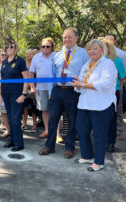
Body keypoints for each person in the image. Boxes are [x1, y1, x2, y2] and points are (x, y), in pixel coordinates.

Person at [39, 27, 89, 158]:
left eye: (69, 37)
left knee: (72, 121)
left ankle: (69, 147)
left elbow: (87, 74)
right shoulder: (57, 54)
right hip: (57, 91)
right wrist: (51, 92)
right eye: (64, 37)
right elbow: (52, 74)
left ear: (76, 38)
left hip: (73, 92)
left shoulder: (83, 54)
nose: (66, 40)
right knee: (52, 120)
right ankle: (49, 146)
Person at [71, 39, 116, 172]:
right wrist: (77, 84)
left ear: (102, 50)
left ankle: (99, 162)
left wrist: (82, 84)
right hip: (85, 103)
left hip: (102, 105)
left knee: (99, 134)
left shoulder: (108, 64)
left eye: (95, 48)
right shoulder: (86, 65)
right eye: (89, 49)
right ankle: (87, 156)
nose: (92, 51)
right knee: (82, 130)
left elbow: (105, 84)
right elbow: (79, 87)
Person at [0, 37, 29, 151]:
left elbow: (26, 79)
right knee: (10, 118)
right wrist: (1, 93)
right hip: (6, 94)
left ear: (15, 48)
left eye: (11, 47)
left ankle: (19, 143)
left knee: (16, 119)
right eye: (7, 47)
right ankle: (12, 140)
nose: (9, 49)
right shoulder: (4, 61)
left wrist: (24, 94)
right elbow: (2, 79)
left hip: (17, 94)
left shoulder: (20, 61)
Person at [29, 38, 61, 139]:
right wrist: (32, 86)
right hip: (41, 88)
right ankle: (47, 131)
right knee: (44, 110)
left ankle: (57, 133)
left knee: (56, 111)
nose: (45, 48)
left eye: (48, 46)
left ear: (52, 47)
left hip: (55, 88)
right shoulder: (36, 57)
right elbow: (31, 73)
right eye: (43, 46)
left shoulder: (57, 56)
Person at [101, 39, 125, 153]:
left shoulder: (117, 60)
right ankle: (101, 141)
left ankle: (111, 143)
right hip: (96, 93)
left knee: (111, 119)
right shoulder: (93, 61)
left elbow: (122, 77)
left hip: (112, 93)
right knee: (99, 118)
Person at [105, 33, 126, 136]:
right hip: (102, 89)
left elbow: (123, 73)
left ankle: (119, 131)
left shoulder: (120, 55)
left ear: (115, 41)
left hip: (117, 87)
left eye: (110, 40)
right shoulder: (99, 56)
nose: (108, 42)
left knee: (118, 110)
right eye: (106, 40)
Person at [22, 49, 38, 132]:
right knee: (24, 107)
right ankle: (24, 124)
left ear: (33, 55)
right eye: (27, 54)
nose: (28, 56)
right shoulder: (23, 64)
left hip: (33, 89)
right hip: (24, 89)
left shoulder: (35, 64)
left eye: (30, 54)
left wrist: (33, 87)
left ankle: (34, 125)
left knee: (34, 107)